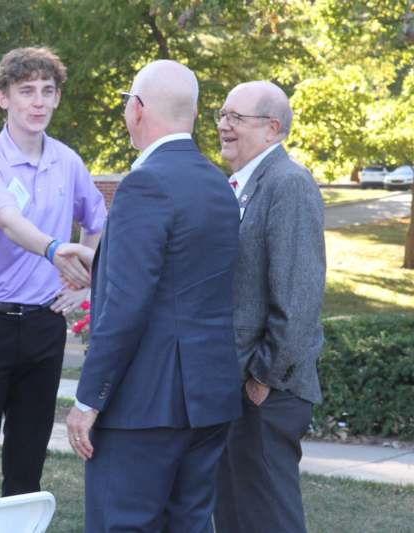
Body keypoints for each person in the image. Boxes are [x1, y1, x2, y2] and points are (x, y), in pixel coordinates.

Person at [64, 60, 243, 532]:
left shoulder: (144, 184)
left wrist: (88, 400)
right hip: (208, 399)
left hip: (145, 405)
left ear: (137, 109)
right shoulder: (218, 185)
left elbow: (125, 307)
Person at [0, 46, 107, 530]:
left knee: (27, 465)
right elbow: (10, 224)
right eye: (26, 91)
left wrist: (84, 283)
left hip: (43, 326)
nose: (38, 102)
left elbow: (97, 220)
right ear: (3, 98)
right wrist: (58, 251)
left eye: (47, 92)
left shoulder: (67, 161)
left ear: (56, 99)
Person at [213, 81, 325, 533]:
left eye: (236, 118)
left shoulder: (288, 184)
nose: (223, 125)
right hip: (238, 390)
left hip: (268, 395)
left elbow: (298, 298)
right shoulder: (242, 186)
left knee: (267, 520)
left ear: (272, 128)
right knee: (237, 517)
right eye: (222, 114)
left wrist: (262, 377)